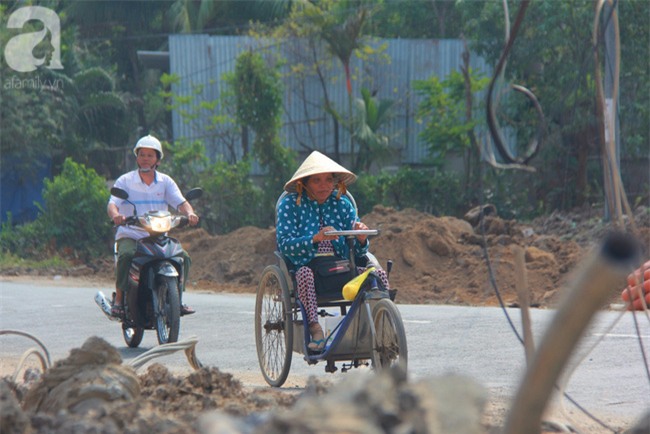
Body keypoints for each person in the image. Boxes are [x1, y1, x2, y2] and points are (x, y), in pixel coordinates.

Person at [276, 150, 390, 351]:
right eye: (317, 181)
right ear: (304, 183)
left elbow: (360, 251)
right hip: (308, 270)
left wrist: (361, 238)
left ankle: (381, 325)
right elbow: (285, 244)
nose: (325, 186)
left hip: (343, 270)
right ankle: (316, 329)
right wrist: (315, 238)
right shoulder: (290, 205)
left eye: (329, 180)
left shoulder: (342, 204)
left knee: (377, 274)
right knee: (303, 274)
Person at [107, 134, 199, 317]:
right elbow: (112, 203)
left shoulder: (165, 182)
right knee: (125, 256)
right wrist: (116, 215)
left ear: (157, 159)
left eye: (150, 155)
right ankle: (119, 299)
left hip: (158, 235)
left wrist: (190, 213)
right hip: (132, 233)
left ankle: (176, 299)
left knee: (184, 258)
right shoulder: (125, 181)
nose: (146, 159)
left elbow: (180, 202)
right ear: (137, 158)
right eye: (142, 155)